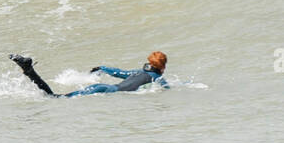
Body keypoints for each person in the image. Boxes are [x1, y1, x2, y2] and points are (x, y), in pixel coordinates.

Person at [9, 52, 169, 97]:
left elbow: (119, 72)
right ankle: (29, 70)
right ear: (162, 66)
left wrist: (102, 67)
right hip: (106, 91)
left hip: (103, 87)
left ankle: (29, 71)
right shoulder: (157, 78)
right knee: (54, 98)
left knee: (56, 97)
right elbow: (165, 88)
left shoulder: (137, 72)